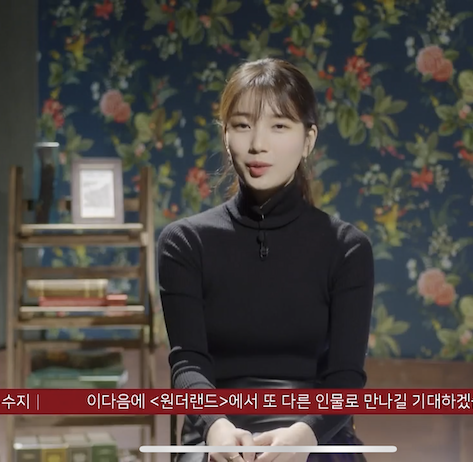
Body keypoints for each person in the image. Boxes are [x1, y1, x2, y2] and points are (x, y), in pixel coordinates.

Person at [157, 57, 375, 462]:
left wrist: (304, 436)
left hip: (315, 432)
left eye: (279, 126)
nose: (258, 144)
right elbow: (188, 363)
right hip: (217, 431)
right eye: (242, 125)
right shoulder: (184, 242)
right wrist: (216, 427)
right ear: (226, 135)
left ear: (308, 139)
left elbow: (346, 377)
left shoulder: (347, 247)